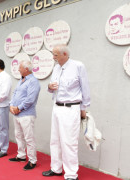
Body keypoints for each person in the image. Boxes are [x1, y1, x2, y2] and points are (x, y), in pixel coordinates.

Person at [42, 44, 90, 180]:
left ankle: (71, 174)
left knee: (69, 142)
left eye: (55, 55)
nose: (53, 57)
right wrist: (49, 87)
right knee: (55, 140)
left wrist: (83, 109)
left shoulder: (78, 66)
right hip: (56, 107)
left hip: (71, 108)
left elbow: (85, 88)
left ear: (64, 54)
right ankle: (56, 168)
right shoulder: (56, 68)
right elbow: (51, 87)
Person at [8, 60, 40, 170]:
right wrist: (12, 105)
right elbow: (15, 93)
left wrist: (19, 108)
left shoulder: (33, 81)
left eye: (20, 68)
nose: (18, 69)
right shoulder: (21, 80)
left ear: (26, 69)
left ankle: (32, 160)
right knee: (18, 136)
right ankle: (21, 156)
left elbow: (30, 99)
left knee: (29, 138)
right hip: (17, 114)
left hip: (26, 114)